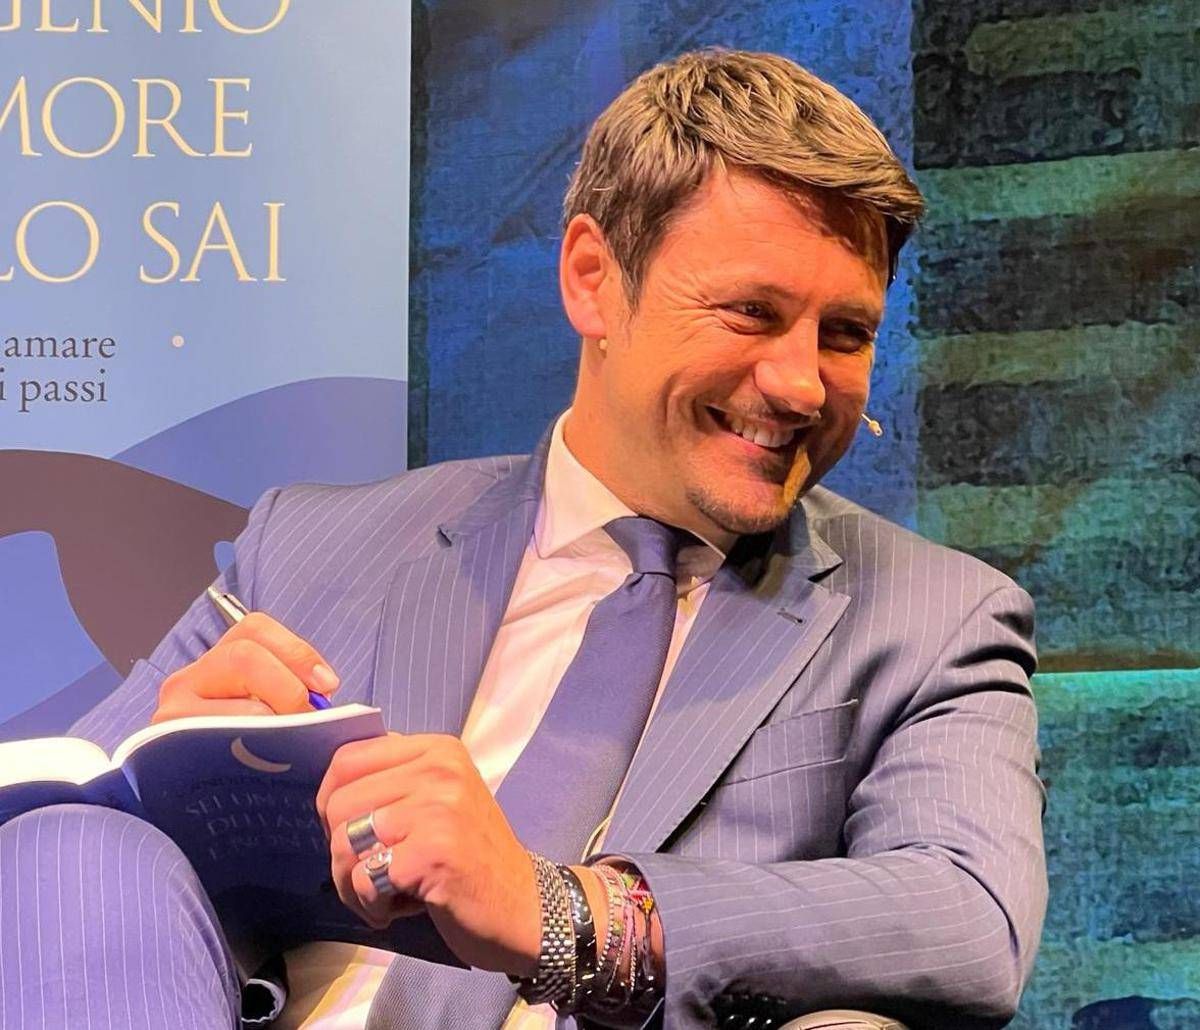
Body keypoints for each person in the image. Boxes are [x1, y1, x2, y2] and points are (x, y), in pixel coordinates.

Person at [0, 49, 1046, 1029]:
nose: (801, 384)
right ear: (594, 277)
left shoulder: (931, 619)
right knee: (71, 841)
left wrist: (559, 911)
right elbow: (44, 826)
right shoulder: (311, 546)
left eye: (845, 334)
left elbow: (968, 913)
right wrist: (165, 795)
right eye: (749, 312)